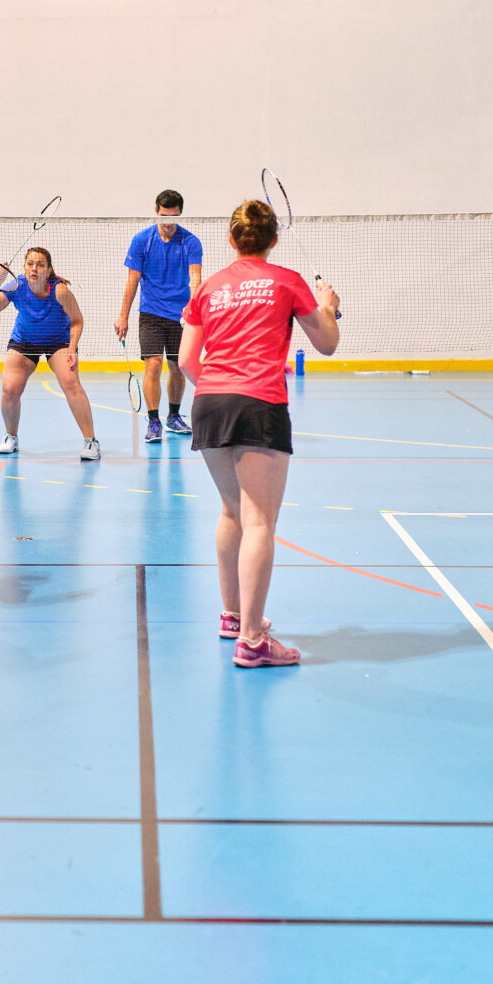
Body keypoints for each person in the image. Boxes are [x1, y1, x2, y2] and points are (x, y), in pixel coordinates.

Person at [179, 199, 340, 668]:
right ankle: (252, 640)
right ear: (274, 239)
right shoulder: (287, 281)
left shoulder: (209, 287)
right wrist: (328, 308)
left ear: (231, 240)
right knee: (259, 522)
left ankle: (233, 617)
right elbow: (327, 344)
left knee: (232, 511)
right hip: (259, 404)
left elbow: (187, 360)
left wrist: (221, 388)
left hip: (209, 403)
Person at [0, 246, 100, 462]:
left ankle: (91, 441)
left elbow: (77, 320)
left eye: (40, 265)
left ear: (48, 270)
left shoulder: (59, 291)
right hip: (25, 341)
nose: (34, 268)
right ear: (24, 268)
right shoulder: (15, 286)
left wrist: (72, 349)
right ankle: (10, 436)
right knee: (10, 388)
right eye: (30, 264)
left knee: (71, 383)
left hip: (58, 341)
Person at [114, 190, 202, 445]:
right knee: (153, 364)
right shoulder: (142, 240)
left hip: (181, 315)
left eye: (173, 217)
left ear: (180, 215)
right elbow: (132, 281)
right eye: (164, 216)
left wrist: (193, 310)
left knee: (178, 366)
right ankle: (154, 421)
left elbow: (195, 278)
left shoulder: (191, 242)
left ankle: (173, 416)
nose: (168, 222)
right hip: (151, 312)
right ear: (156, 211)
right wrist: (123, 316)